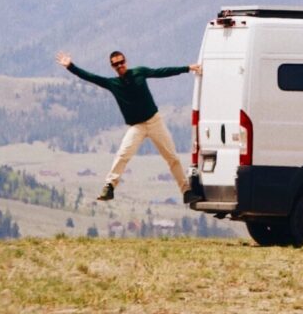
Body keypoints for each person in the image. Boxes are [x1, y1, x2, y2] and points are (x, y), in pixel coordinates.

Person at [56, 47, 201, 202]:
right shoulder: (112, 83)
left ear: (126, 61)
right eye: (116, 64)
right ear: (112, 67)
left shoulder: (139, 72)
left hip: (154, 121)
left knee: (172, 158)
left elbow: (161, 72)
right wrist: (70, 66)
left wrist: (187, 68)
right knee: (123, 155)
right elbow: (90, 77)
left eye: (121, 62)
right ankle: (109, 187)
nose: (120, 66)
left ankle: (186, 192)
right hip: (137, 127)